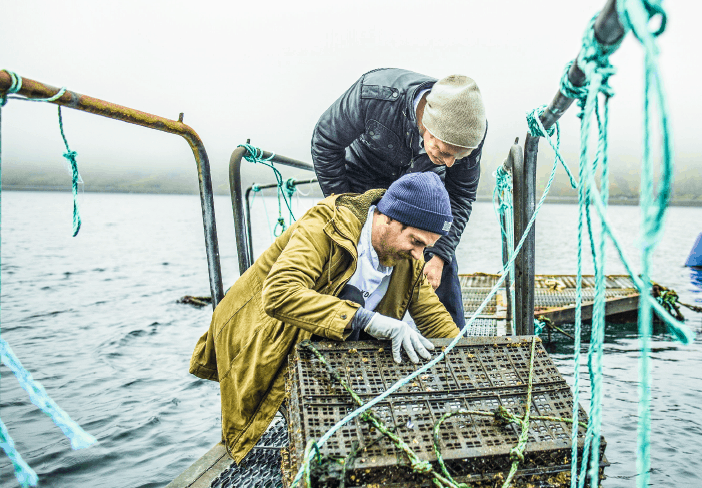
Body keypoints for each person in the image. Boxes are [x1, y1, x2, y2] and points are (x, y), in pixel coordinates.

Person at [188, 172, 460, 463]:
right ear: (388, 218)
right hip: (265, 331)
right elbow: (279, 294)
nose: (420, 256)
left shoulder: (408, 260)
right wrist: (366, 320)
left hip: (327, 334)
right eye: (416, 241)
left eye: (426, 247)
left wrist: (467, 357)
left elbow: (435, 320)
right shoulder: (326, 226)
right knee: (352, 302)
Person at [311, 68, 487, 329]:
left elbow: (460, 196)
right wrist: (346, 208)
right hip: (362, 178)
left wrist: (439, 255)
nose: (450, 164)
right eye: (444, 150)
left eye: (458, 157)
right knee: (351, 255)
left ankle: (453, 348)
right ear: (427, 121)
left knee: (440, 260)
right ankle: (343, 330)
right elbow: (325, 141)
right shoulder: (374, 95)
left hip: (421, 185)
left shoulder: (471, 130)